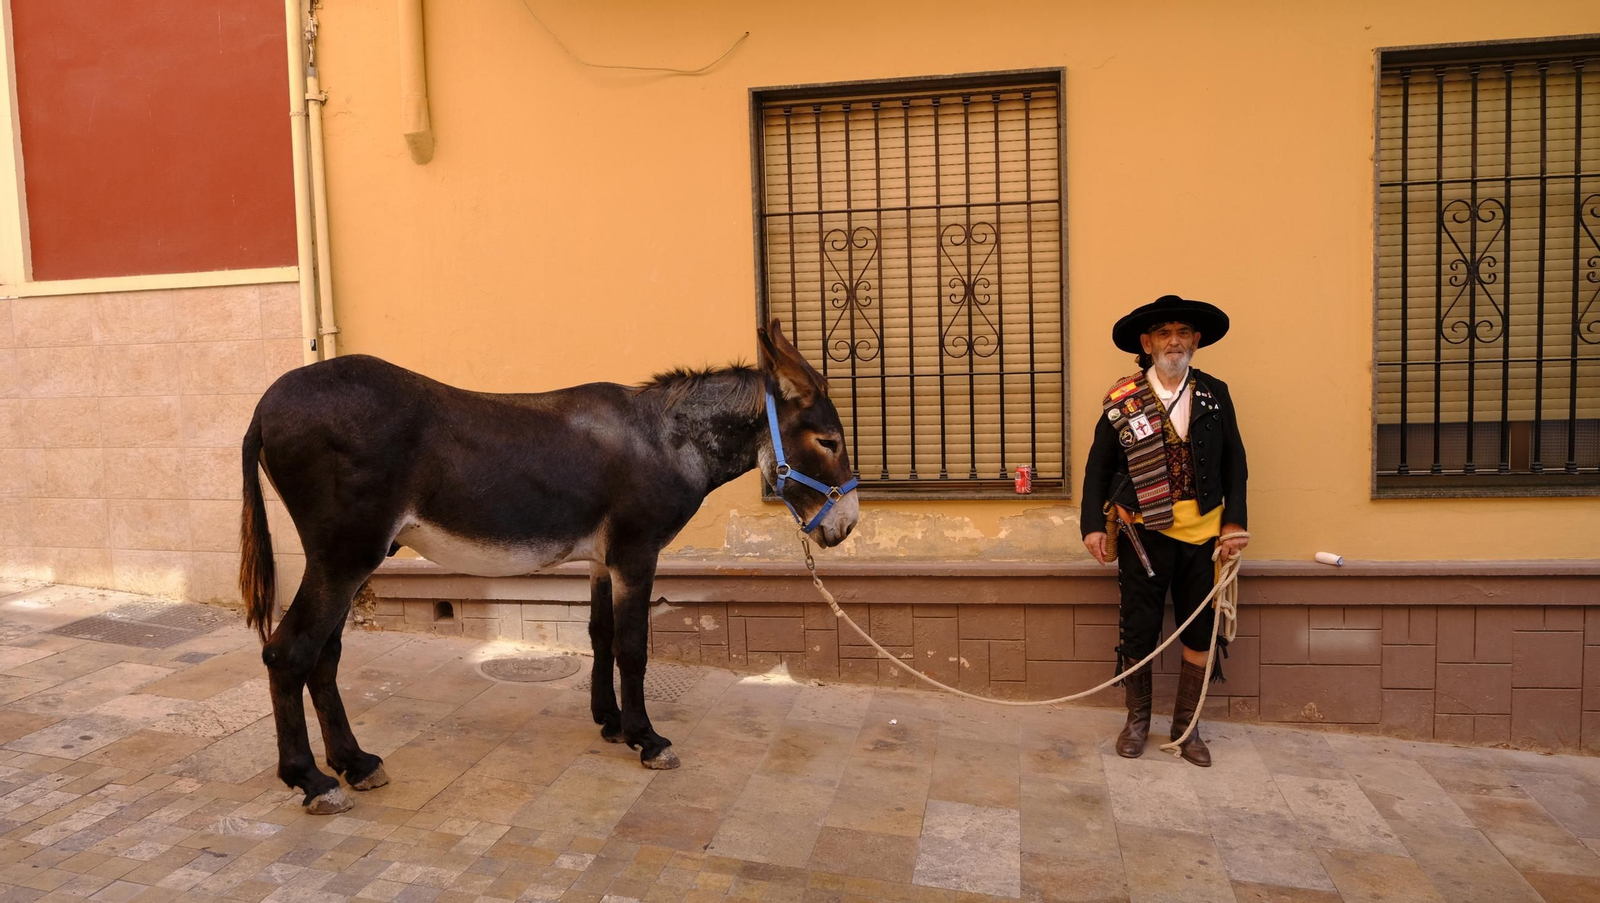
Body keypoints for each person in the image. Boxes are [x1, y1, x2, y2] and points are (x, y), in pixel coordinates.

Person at [1080, 294, 1249, 767]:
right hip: (1143, 533)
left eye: (1182, 333)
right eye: (1163, 333)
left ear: (1195, 341)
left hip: (1205, 538)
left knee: (1199, 631)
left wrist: (1235, 524)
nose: (1173, 341)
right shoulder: (1124, 399)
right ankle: (1137, 723)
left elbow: (1235, 463)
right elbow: (1098, 466)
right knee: (1139, 630)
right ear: (1147, 343)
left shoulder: (1215, 393)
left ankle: (1186, 729)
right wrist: (1092, 525)